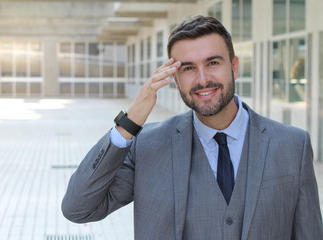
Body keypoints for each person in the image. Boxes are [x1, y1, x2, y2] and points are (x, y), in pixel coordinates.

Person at [62, 15, 323, 239]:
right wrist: (129, 123)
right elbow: (78, 208)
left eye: (213, 63)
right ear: (175, 79)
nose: (203, 79)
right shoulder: (149, 147)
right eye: (188, 68)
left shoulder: (292, 145)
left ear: (234, 66)